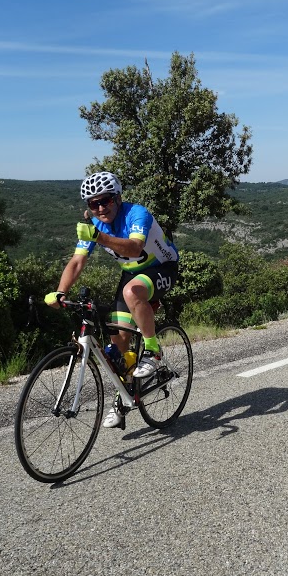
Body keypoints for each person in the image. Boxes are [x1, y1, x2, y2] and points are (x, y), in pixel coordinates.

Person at [45, 171, 179, 427]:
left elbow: (134, 248)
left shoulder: (137, 213)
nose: (100, 208)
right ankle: (123, 397)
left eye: (105, 201)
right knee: (118, 347)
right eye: (93, 204)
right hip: (131, 274)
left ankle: (153, 351)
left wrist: (98, 236)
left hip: (163, 268)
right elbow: (77, 261)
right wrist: (61, 292)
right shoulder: (95, 224)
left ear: (118, 198)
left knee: (132, 292)